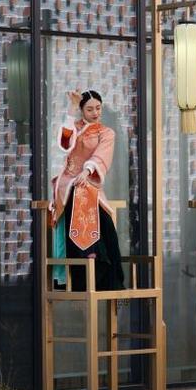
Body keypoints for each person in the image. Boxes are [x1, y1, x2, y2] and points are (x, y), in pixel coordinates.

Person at [50, 89, 124, 291]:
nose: (95, 113)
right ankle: (85, 261)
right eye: (89, 109)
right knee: (79, 195)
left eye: (98, 108)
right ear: (82, 110)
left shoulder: (106, 133)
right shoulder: (74, 127)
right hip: (68, 183)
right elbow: (65, 144)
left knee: (104, 222)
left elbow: (102, 155)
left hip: (90, 182)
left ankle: (98, 261)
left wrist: (87, 170)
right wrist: (71, 109)